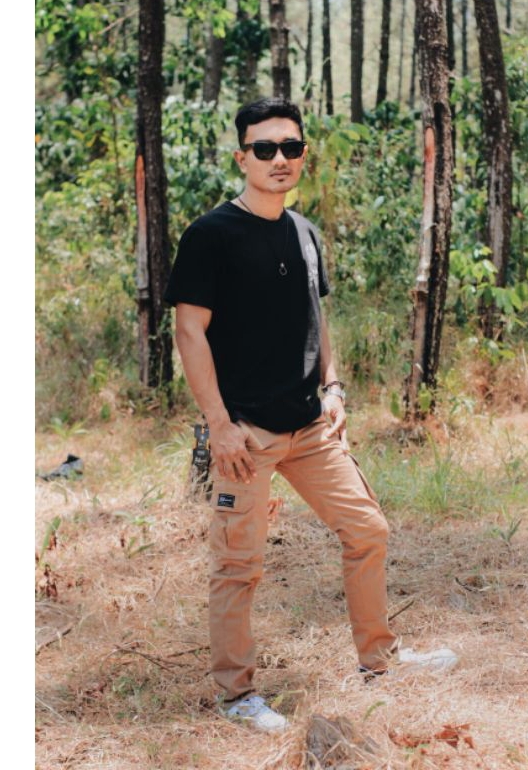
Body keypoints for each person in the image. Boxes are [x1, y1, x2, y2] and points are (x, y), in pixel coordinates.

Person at [165, 98, 456, 733]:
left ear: (303, 155)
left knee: (367, 529)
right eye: (264, 148)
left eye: (290, 148)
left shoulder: (303, 231)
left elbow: (316, 316)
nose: (279, 159)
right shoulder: (211, 235)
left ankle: (380, 660)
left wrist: (334, 386)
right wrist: (218, 424)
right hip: (246, 433)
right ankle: (238, 695)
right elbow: (189, 331)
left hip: (311, 427)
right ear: (241, 157)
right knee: (237, 565)